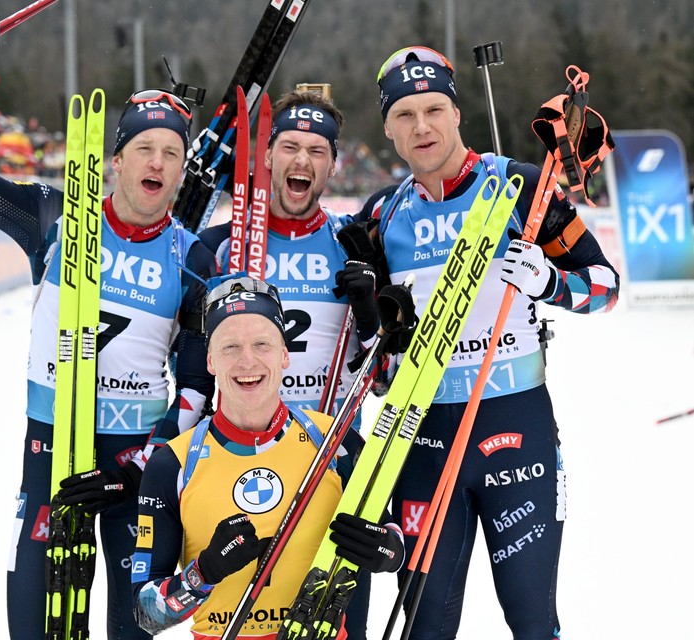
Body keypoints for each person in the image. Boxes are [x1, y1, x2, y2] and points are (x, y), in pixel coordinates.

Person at [0, 21, 219, 640]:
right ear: (117, 160)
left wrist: (145, 461)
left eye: (173, 153)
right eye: (146, 148)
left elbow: (197, 380)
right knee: (31, 624)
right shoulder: (56, 218)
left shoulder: (192, 257)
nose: (158, 163)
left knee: (132, 628)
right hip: (52, 445)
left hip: (134, 457)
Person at [358, 46, 620, 639]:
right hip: (421, 440)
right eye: (404, 114)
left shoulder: (522, 187)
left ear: (457, 113)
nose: (421, 126)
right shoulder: (382, 216)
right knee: (424, 629)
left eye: (433, 109)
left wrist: (549, 282)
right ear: (387, 129)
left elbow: (606, 286)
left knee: (532, 622)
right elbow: (374, 363)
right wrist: (380, 337)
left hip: (516, 429)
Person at [131, 276, 406, 639]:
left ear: (284, 354)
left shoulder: (336, 441)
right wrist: (205, 572)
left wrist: (387, 550)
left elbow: (391, 534)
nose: (248, 361)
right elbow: (144, 611)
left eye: (262, 343)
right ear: (210, 360)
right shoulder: (175, 464)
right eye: (230, 347)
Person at [200, 89, 381, 422]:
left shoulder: (354, 244)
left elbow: (384, 380)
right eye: (289, 147)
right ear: (268, 157)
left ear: (332, 167)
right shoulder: (222, 245)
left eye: (316, 150)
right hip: (247, 445)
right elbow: (190, 364)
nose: (301, 160)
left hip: (331, 447)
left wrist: (370, 317)